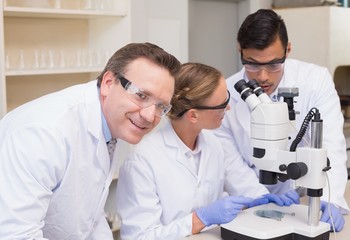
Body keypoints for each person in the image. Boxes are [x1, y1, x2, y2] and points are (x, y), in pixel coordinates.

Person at [0, 42, 181, 239]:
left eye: (161, 106)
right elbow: (16, 235)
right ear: (108, 83)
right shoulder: (45, 132)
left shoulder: (113, 124)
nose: (149, 115)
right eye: (141, 95)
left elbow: (91, 217)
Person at [116, 62, 299, 240]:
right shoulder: (142, 163)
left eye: (227, 97)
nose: (228, 107)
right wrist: (199, 219)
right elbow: (139, 236)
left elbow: (235, 188)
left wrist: (263, 200)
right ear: (193, 115)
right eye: (221, 104)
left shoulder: (213, 143)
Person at [214, 9, 349, 232]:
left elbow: (331, 145)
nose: (263, 76)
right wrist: (259, 198)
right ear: (240, 51)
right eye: (252, 64)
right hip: (250, 200)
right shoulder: (226, 92)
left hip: (301, 197)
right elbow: (230, 161)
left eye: (274, 64)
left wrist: (329, 198)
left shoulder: (315, 80)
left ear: (288, 49)